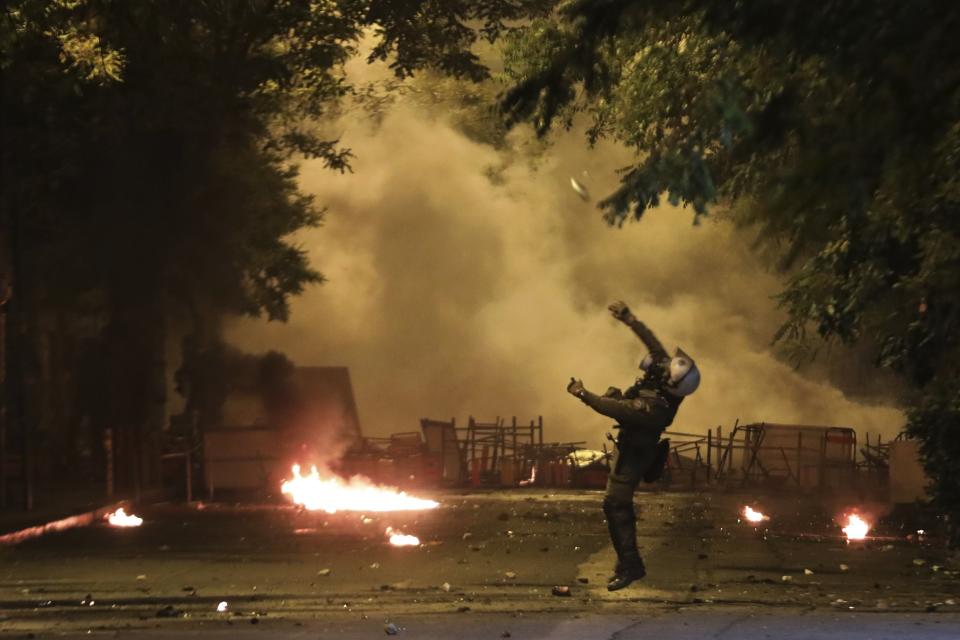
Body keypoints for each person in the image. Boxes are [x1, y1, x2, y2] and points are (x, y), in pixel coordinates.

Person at [567, 300, 700, 591]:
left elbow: (615, 408)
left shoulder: (656, 408)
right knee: (616, 505)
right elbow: (653, 343)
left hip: (635, 456)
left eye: (665, 371)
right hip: (629, 445)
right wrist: (629, 319)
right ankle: (625, 562)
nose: (659, 367)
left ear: (672, 384)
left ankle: (631, 566)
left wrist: (583, 394)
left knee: (615, 504)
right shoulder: (667, 385)